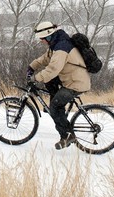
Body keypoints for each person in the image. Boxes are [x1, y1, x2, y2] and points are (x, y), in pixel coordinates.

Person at [26, 21, 91, 150]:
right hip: (72, 79)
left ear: (48, 36)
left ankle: (67, 135)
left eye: (42, 39)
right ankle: (56, 107)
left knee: (55, 107)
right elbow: (46, 59)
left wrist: (35, 78)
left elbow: (52, 69)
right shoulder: (57, 43)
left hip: (76, 83)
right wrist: (32, 66)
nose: (41, 41)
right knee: (49, 81)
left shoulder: (62, 47)